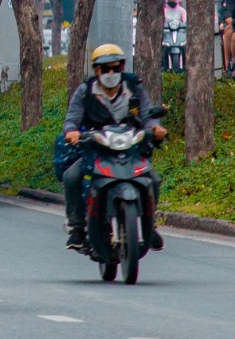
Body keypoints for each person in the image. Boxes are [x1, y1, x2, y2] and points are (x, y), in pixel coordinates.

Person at [61, 43, 168, 252]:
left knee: (153, 180)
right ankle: (76, 228)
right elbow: (72, 119)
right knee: (71, 177)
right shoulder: (85, 91)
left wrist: (155, 128)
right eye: (105, 69)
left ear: (122, 67)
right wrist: (72, 132)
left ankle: (149, 225)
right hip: (97, 150)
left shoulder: (134, 87)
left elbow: (148, 116)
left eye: (116, 68)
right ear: (96, 70)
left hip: (131, 149)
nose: (111, 73)